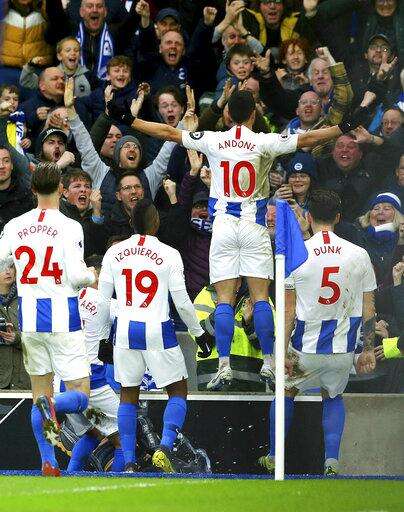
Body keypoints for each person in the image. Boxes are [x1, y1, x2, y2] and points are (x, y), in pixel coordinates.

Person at [130, 88, 367, 390]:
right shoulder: (264, 141)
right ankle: (268, 361)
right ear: (254, 114)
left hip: (223, 228)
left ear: (228, 114)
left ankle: (224, 365)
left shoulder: (213, 140)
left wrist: (131, 120)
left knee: (224, 300)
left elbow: (168, 132)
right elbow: (308, 139)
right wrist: (343, 126)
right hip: (254, 226)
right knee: (260, 298)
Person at [258, 189, 377, 476]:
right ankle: (331, 462)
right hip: (342, 350)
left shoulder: (296, 255)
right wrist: (367, 350)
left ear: (308, 216)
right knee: (333, 397)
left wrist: (280, 352)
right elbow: (369, 309)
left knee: (285, 391)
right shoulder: (359, 254)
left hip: (305, 349)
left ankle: (274, 456)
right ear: (338, 217)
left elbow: (288, 312)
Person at [97, 198, 209, 473]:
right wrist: (198, 333)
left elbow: (102, 300)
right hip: (158, 329)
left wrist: (103, 338)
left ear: (131, 222)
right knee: (178, 390)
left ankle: (129, 461)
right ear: (156, 222)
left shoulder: (114, 253)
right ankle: (165, 447)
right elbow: (182, 301)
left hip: (125, 330)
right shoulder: (169, 254)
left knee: (128, 394)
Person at [0, 163, 97, 477]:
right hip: (62, 316)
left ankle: (49, 461)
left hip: (29, 318)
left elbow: (1, 260)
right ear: (61, 189)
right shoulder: (70, 226)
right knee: (80, 395)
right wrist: (92, 274)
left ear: (32, 189)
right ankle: (53, 406)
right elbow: (77, 277)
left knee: (40, 393)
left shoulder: (14, 225)